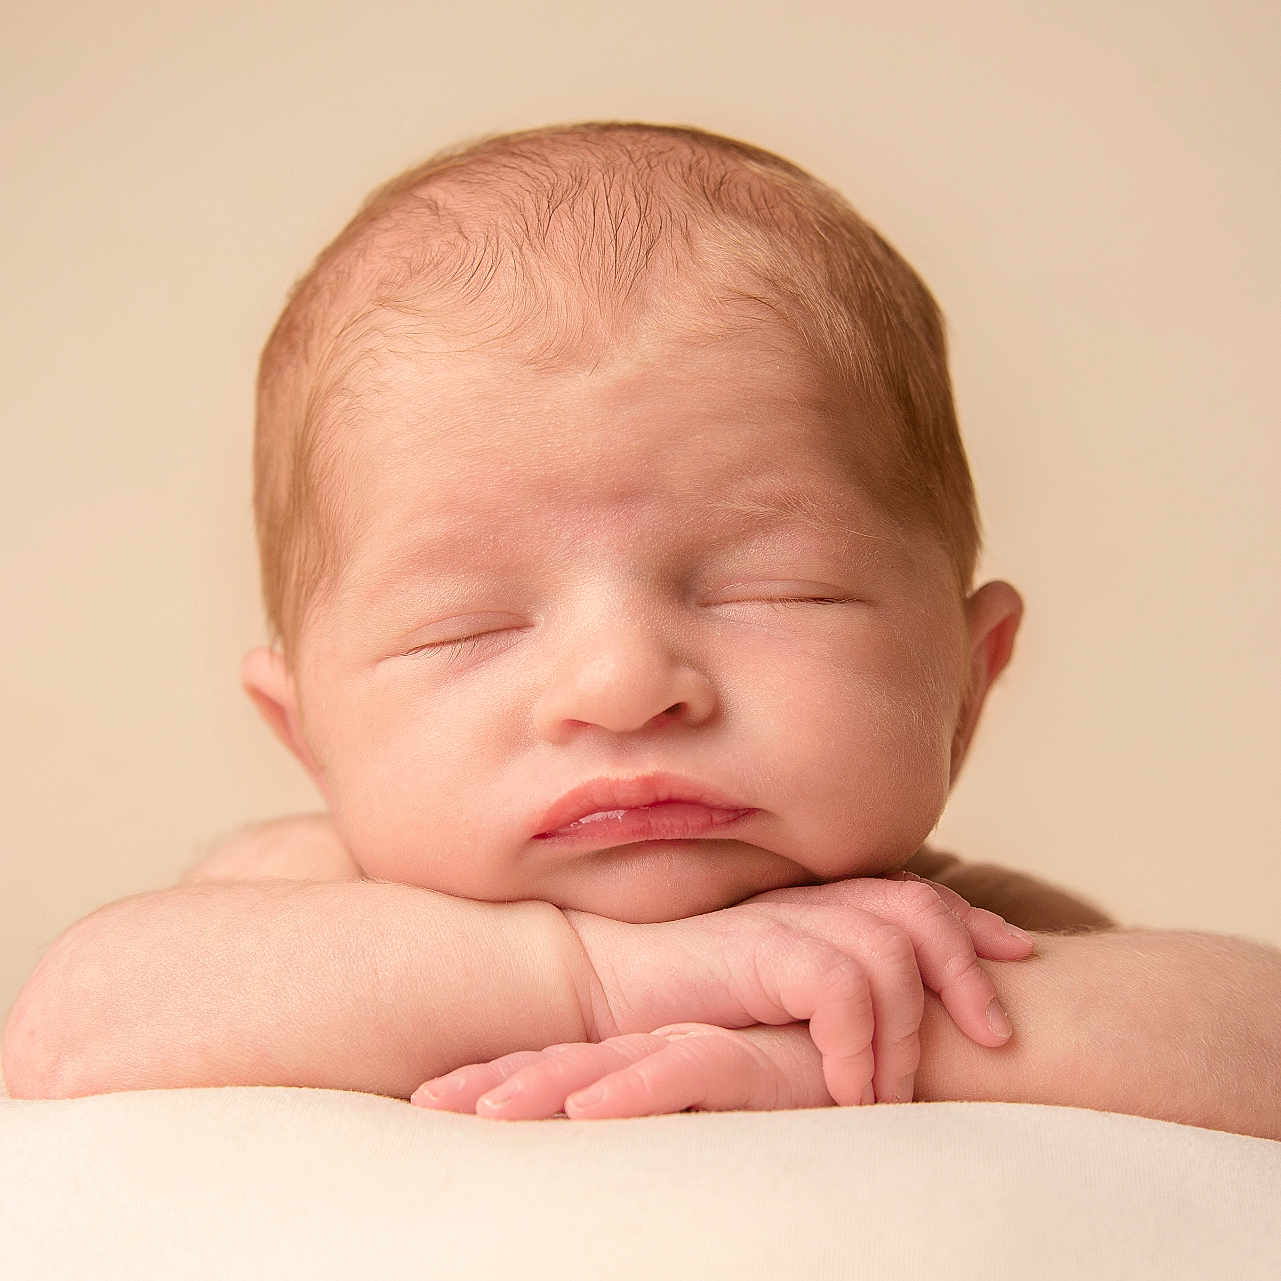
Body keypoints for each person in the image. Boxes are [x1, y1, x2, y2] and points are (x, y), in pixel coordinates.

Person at [5, 123, 1279, 1138]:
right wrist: (614, 984)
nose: (622, 686)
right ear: (309, 737)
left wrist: (859, 1029)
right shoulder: (305, 899)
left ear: (971, 678)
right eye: (469, 626)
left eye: (772, 591)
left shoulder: (926, 934)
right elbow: (70, 1027)